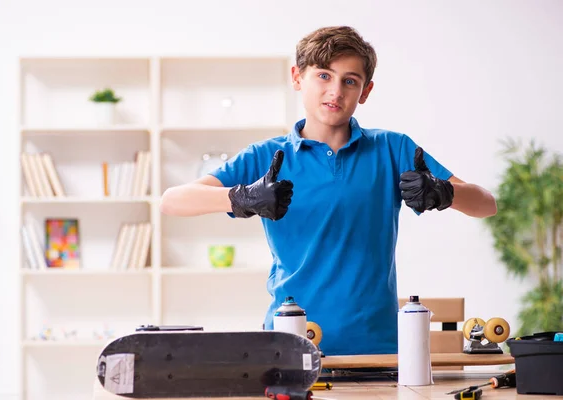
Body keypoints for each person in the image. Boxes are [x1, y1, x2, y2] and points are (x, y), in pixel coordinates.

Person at [159, 25, 497, 356]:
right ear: (297, 77)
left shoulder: (392, 149)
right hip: (289, 343)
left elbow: (486, 204)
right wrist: (240, 197)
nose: (335, 91)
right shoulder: (267, 156)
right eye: (323, 75)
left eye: (349, 81)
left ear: (365, 92)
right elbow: (172, 201)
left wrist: (444, 192)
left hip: (376, 349)